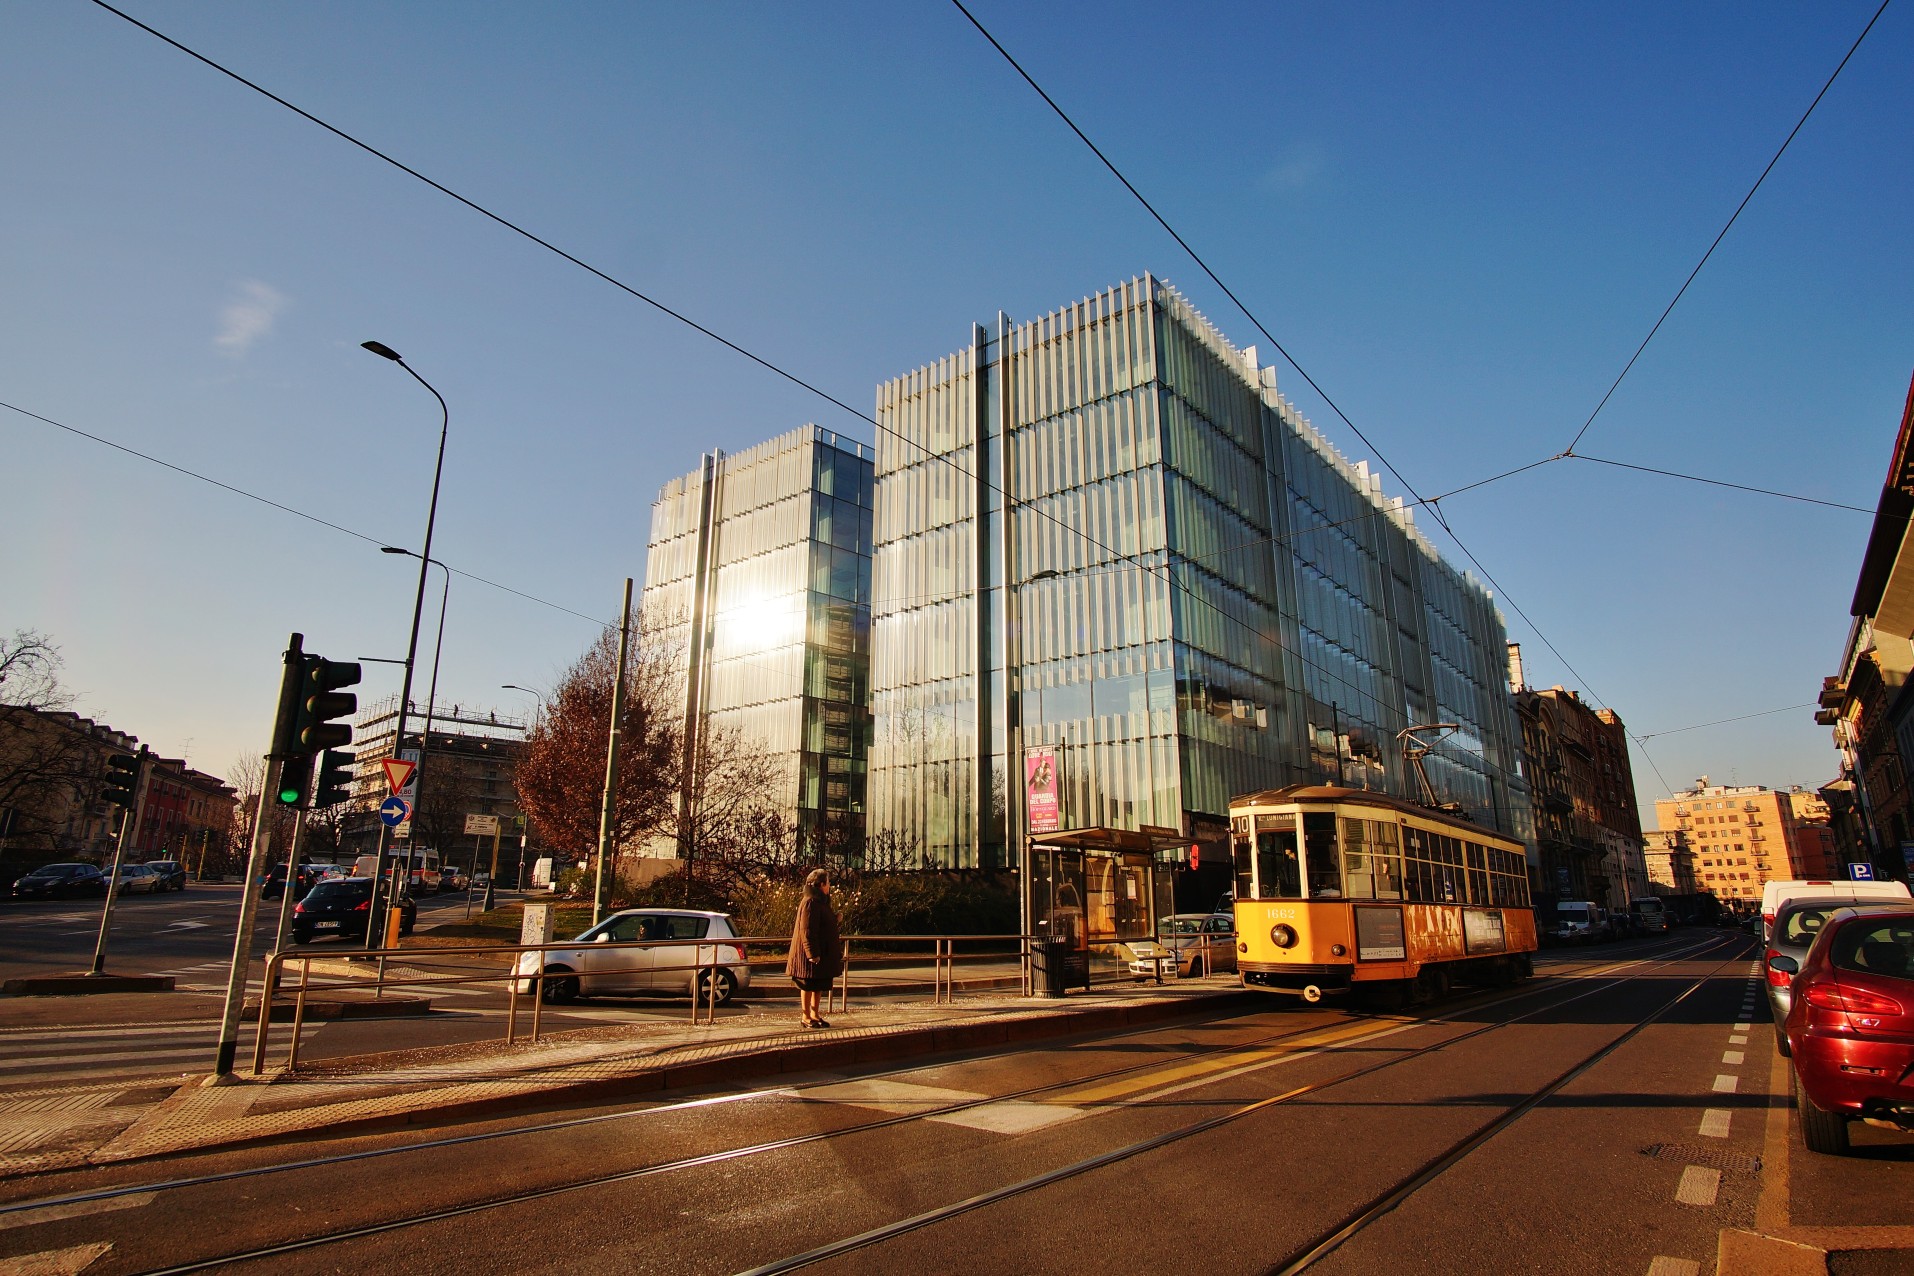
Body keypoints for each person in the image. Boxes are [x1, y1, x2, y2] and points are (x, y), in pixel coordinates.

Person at [785, 868, 842, 1029]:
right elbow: (807, 930)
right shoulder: (810, 902)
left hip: (821, 952)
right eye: (828, 882)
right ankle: (806, 1016)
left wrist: (835, 919)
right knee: (808, 984)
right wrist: (812, 953)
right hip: (810, 955)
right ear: (821, 884)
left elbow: (822, 924)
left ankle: (815, 1014)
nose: (829, 886)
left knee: (818, 984)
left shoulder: (821, 902)